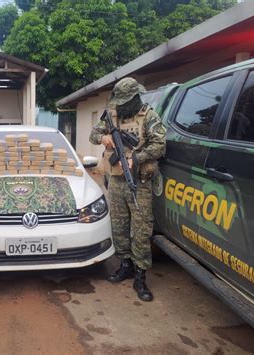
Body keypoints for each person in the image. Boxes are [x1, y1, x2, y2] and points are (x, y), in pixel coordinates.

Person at [89, 77, 166, 302]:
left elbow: (160, 145)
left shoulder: (148, 116)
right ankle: (125, 265)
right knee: (119, 226)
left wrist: (137, 158)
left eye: (125, 102)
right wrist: (105, 138)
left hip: (139, 183)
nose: (121, 106)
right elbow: (93, 136)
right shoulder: (112, 115)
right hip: (116, 181)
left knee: (141, 229)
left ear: (135, 98)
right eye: (118, 101)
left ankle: (140, 275)